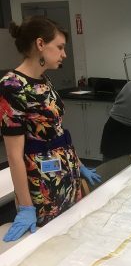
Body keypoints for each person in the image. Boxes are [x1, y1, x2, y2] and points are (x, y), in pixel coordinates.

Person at [0, 16, 101, 242]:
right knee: (50, 241)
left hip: (67, 171)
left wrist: (79, 164)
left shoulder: (43, 80)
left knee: (72, 232)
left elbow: (56, 130)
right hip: (42, 181)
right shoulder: (12, 86)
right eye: (60, 47)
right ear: (40, 44)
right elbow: (14, 156)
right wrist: (26, 206)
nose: (64, 54)